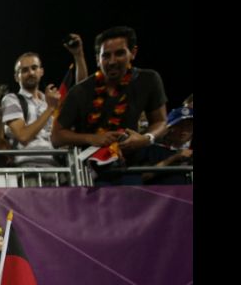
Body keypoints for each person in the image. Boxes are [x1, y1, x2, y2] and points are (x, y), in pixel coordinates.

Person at [51, 25, 168, 185]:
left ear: (133, 53)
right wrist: (92, 138)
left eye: (119, 53)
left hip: (130, 169)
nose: (112, 61)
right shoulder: (80, 91)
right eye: (106, 55)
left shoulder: (148, 80)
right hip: (89, 175)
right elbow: (56, 137)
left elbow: (160, 121)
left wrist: (145, 138)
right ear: (98, 59)